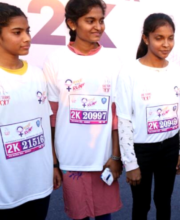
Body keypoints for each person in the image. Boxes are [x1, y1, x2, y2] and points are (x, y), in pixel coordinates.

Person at [43, 0, 122, 219]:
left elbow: (117, 116)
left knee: (104, 216)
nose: (98, 26)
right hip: (70, 161)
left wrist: (116, 156)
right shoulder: (55, 60)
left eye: (101, 20)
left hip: (104, 160)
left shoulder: (112, 60)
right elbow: (51, 118)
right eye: (90, 21)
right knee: (79, 216)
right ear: (72, 23)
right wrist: (54, 162)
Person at [115, 13, 180, 220]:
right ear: (146, 38)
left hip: (170, 147)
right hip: (142, 151)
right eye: (159, 38)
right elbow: (123, 120)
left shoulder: (176, 71)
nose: (166, 44)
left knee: (164, 201)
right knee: (141, 204)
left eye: (170, 38)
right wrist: (130, 163)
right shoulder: (129, 72)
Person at [0, 3, 57, 219]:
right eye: (17, 32)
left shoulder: (37, 74)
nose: (27, 38)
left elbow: (44, 124)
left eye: (27, 31)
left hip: (38, 185)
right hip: (6, 191)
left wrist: (52, 164)